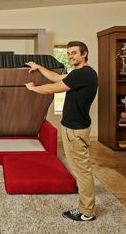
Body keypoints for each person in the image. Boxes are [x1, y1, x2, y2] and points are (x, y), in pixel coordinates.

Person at [25, 41, 98, 221]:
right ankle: (85, 200)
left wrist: (33, 88)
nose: (71, 56)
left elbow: (54, 88)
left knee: (82, 171)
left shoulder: (84, 74)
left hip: (75, 130)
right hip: (74, 128)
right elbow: (57, 78)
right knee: (80, 169)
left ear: (84, 54)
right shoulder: (79, 73)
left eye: (74, 53)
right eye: (69, 53)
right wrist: (39, 67)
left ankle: (87, 212)